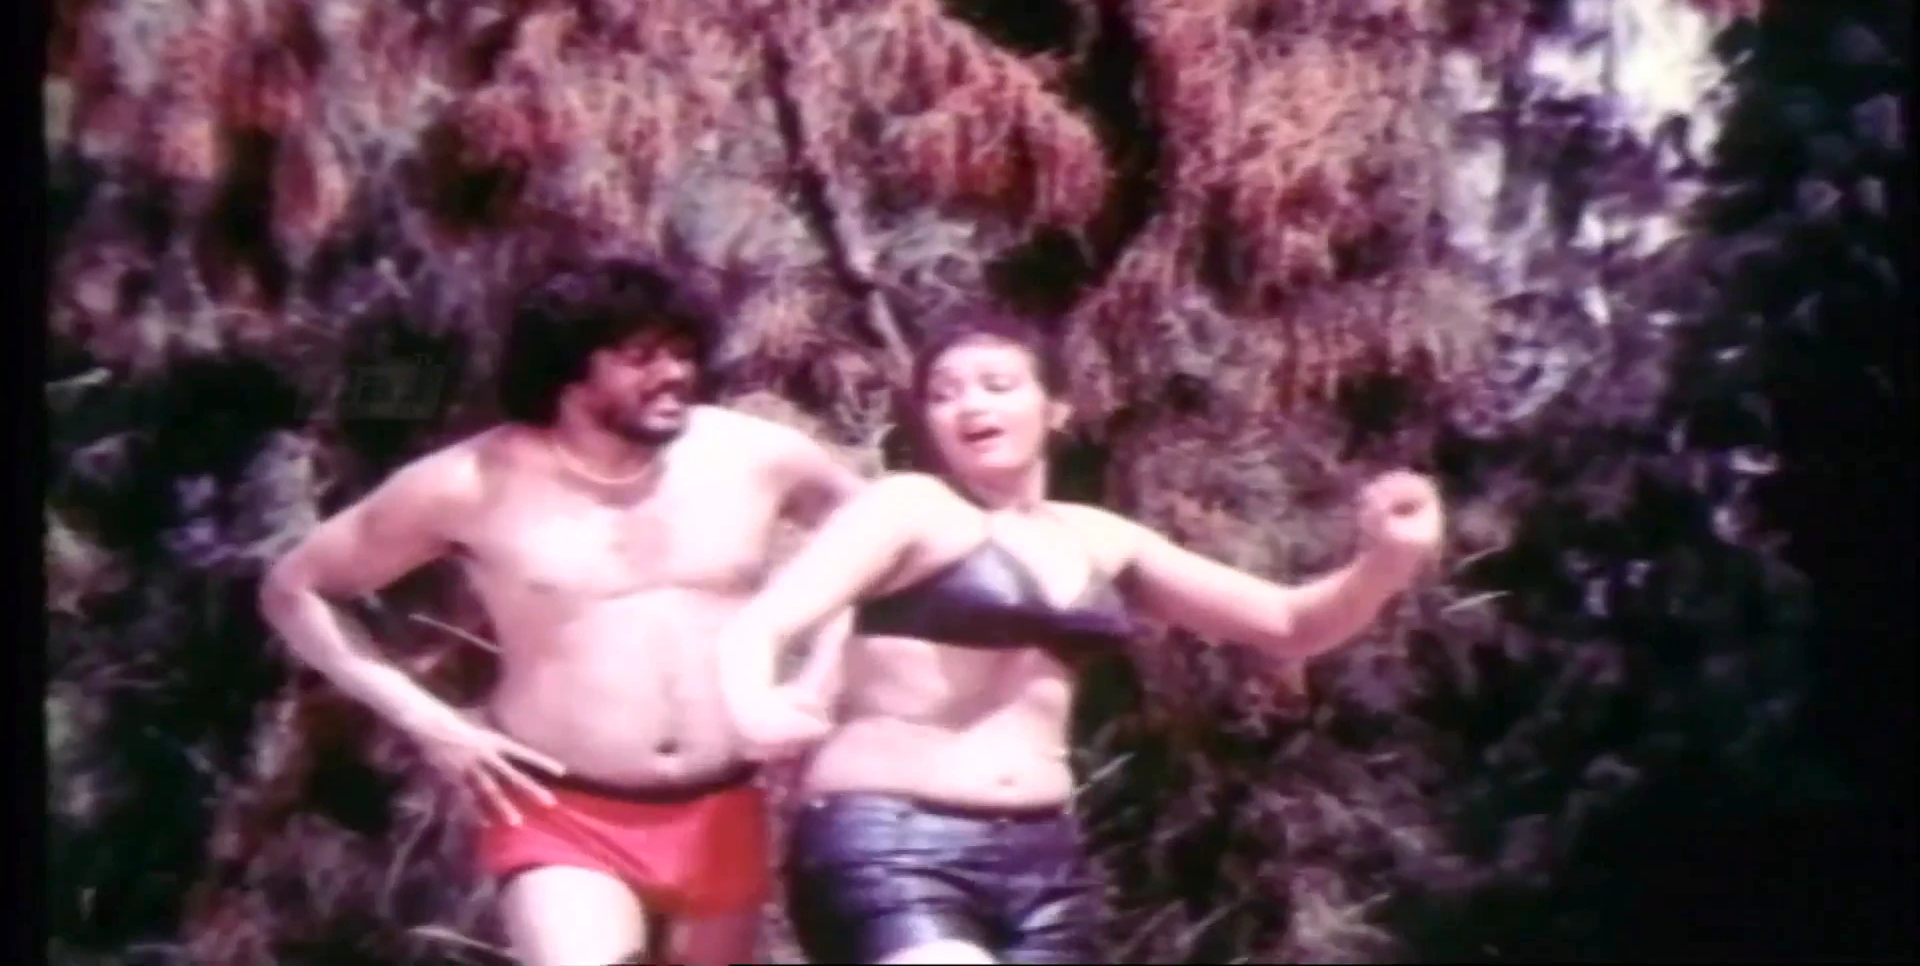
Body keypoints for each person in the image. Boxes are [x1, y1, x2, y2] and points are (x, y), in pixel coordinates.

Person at [716, 311, 1446, 965]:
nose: (971, 405)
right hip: (893, 843)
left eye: (998, 385)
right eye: (944, 394)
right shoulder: (908, 507)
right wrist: (753, 702)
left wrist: (1388, 560)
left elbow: (1289, 625)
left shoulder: (1102, 538)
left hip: (1045, 861)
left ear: (1056, 408)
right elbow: (764, 620)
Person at [259, 257, 866, 966]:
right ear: (569, 368)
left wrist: (819, 683)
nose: (674, 374)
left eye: (683, 352)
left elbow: (890, 544)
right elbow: (295, 590)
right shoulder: (467, 482)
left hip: (725, 804)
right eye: (641, 356)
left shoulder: (754, 454)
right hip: (560, 808)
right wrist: (430, 722)